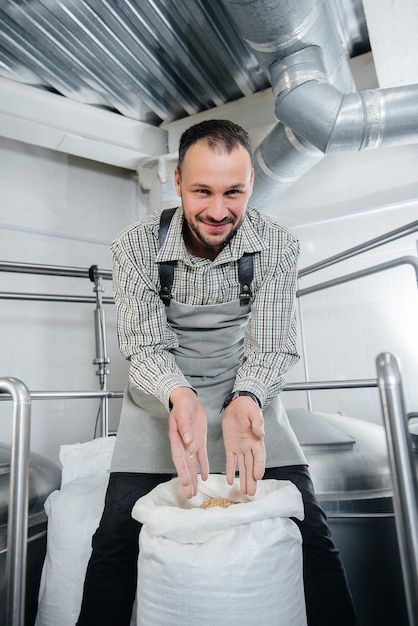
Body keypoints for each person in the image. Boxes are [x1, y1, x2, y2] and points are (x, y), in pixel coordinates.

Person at [77, 119, 358, 626]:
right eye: (202, 190)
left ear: (251, 184)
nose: (217, 210)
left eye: (234, 192)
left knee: (309, 532)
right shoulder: (135, 245)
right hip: (159, 408)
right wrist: (179, 396)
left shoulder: (276, 244)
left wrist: (246, 399)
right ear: (178, 181)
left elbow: (272, 344)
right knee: (115, 540)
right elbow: (142, 345)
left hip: (248, 402)